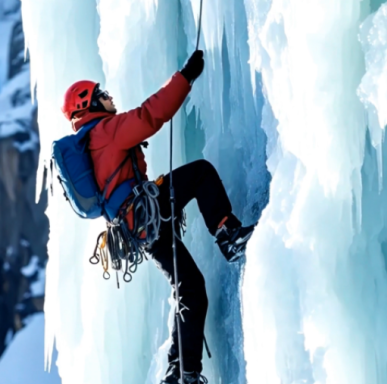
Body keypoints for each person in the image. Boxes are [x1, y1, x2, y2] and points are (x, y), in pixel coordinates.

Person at [60, 50, 256, 384]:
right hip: (146, 210)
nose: (109, 97)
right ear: (88, 104)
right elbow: (149, 115)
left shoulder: (93, 140)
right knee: (201, 174)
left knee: (190, 289)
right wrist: (186, 77)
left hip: (137, 227)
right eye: (101, 94)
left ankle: (181, 373)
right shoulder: (104, 131)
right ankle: (227, 234)